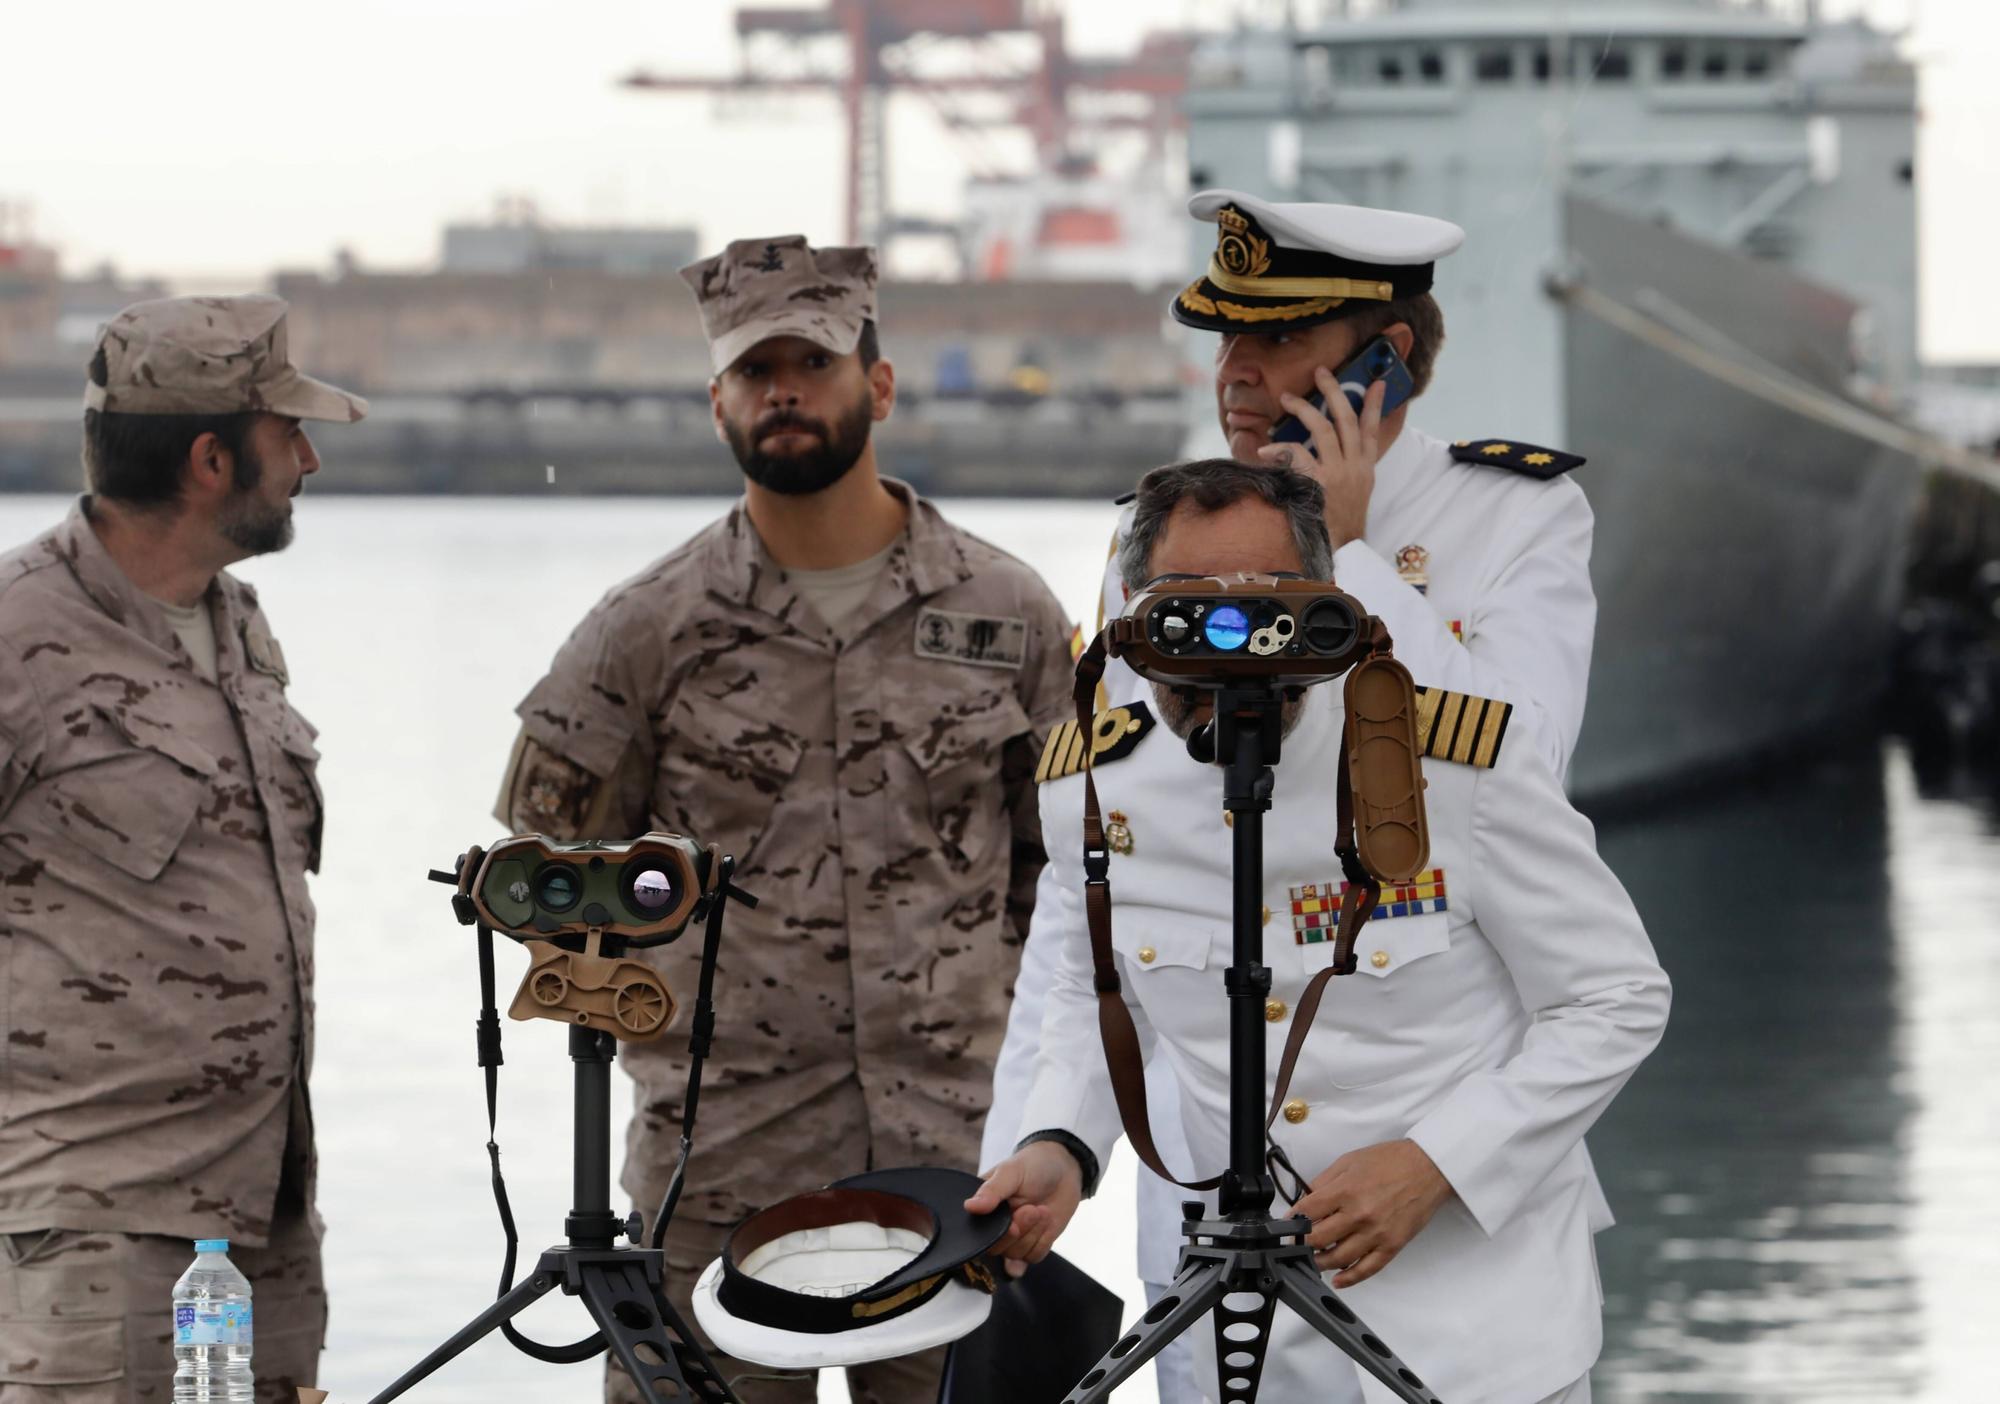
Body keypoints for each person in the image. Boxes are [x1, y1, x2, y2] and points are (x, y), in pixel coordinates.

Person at [985, 188, 1604, 1402]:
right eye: (1226, 338)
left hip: (1461, 1275)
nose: (1237, 372)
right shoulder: (1158, 547)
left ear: (1387, 357)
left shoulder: (1514, 514)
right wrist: (1053, 1136)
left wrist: (1353, 561)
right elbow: (1097, 895)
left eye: (1278, 341)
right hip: (1219, 1264)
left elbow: (1521, 763)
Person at [496, 235, 1075, 1404]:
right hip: (714, 1169)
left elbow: (1067, 882)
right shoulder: (643, 632)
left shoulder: (1008, 615)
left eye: (811, 362)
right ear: (716, 400)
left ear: (880, 382)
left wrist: (1034, 1098)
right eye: (754, 372)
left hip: (953, 1168)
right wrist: (683, 1012)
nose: (784, 393)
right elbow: (542, 885)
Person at [0, 295, 363, 1402]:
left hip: (264, 1223)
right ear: (211, 458)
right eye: (284, 434)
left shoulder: (238, 623)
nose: (307, 457)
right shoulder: (18, 639)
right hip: (97, 1236)